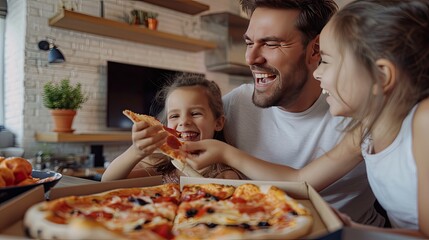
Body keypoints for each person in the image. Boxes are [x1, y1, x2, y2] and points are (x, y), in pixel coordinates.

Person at [184, 0, 429, 237]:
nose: (250, 59)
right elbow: (299, 179)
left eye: (328, 61)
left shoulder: (418, 120)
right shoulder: (365, 129)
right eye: (249, 43)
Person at [102, 73, 244, 183]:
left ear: (218, 123)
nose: (184, 122)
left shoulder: (224, 174)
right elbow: (108, 181)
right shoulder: (161, 163)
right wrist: (136, 151)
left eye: (195, 113)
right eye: (174, 116)